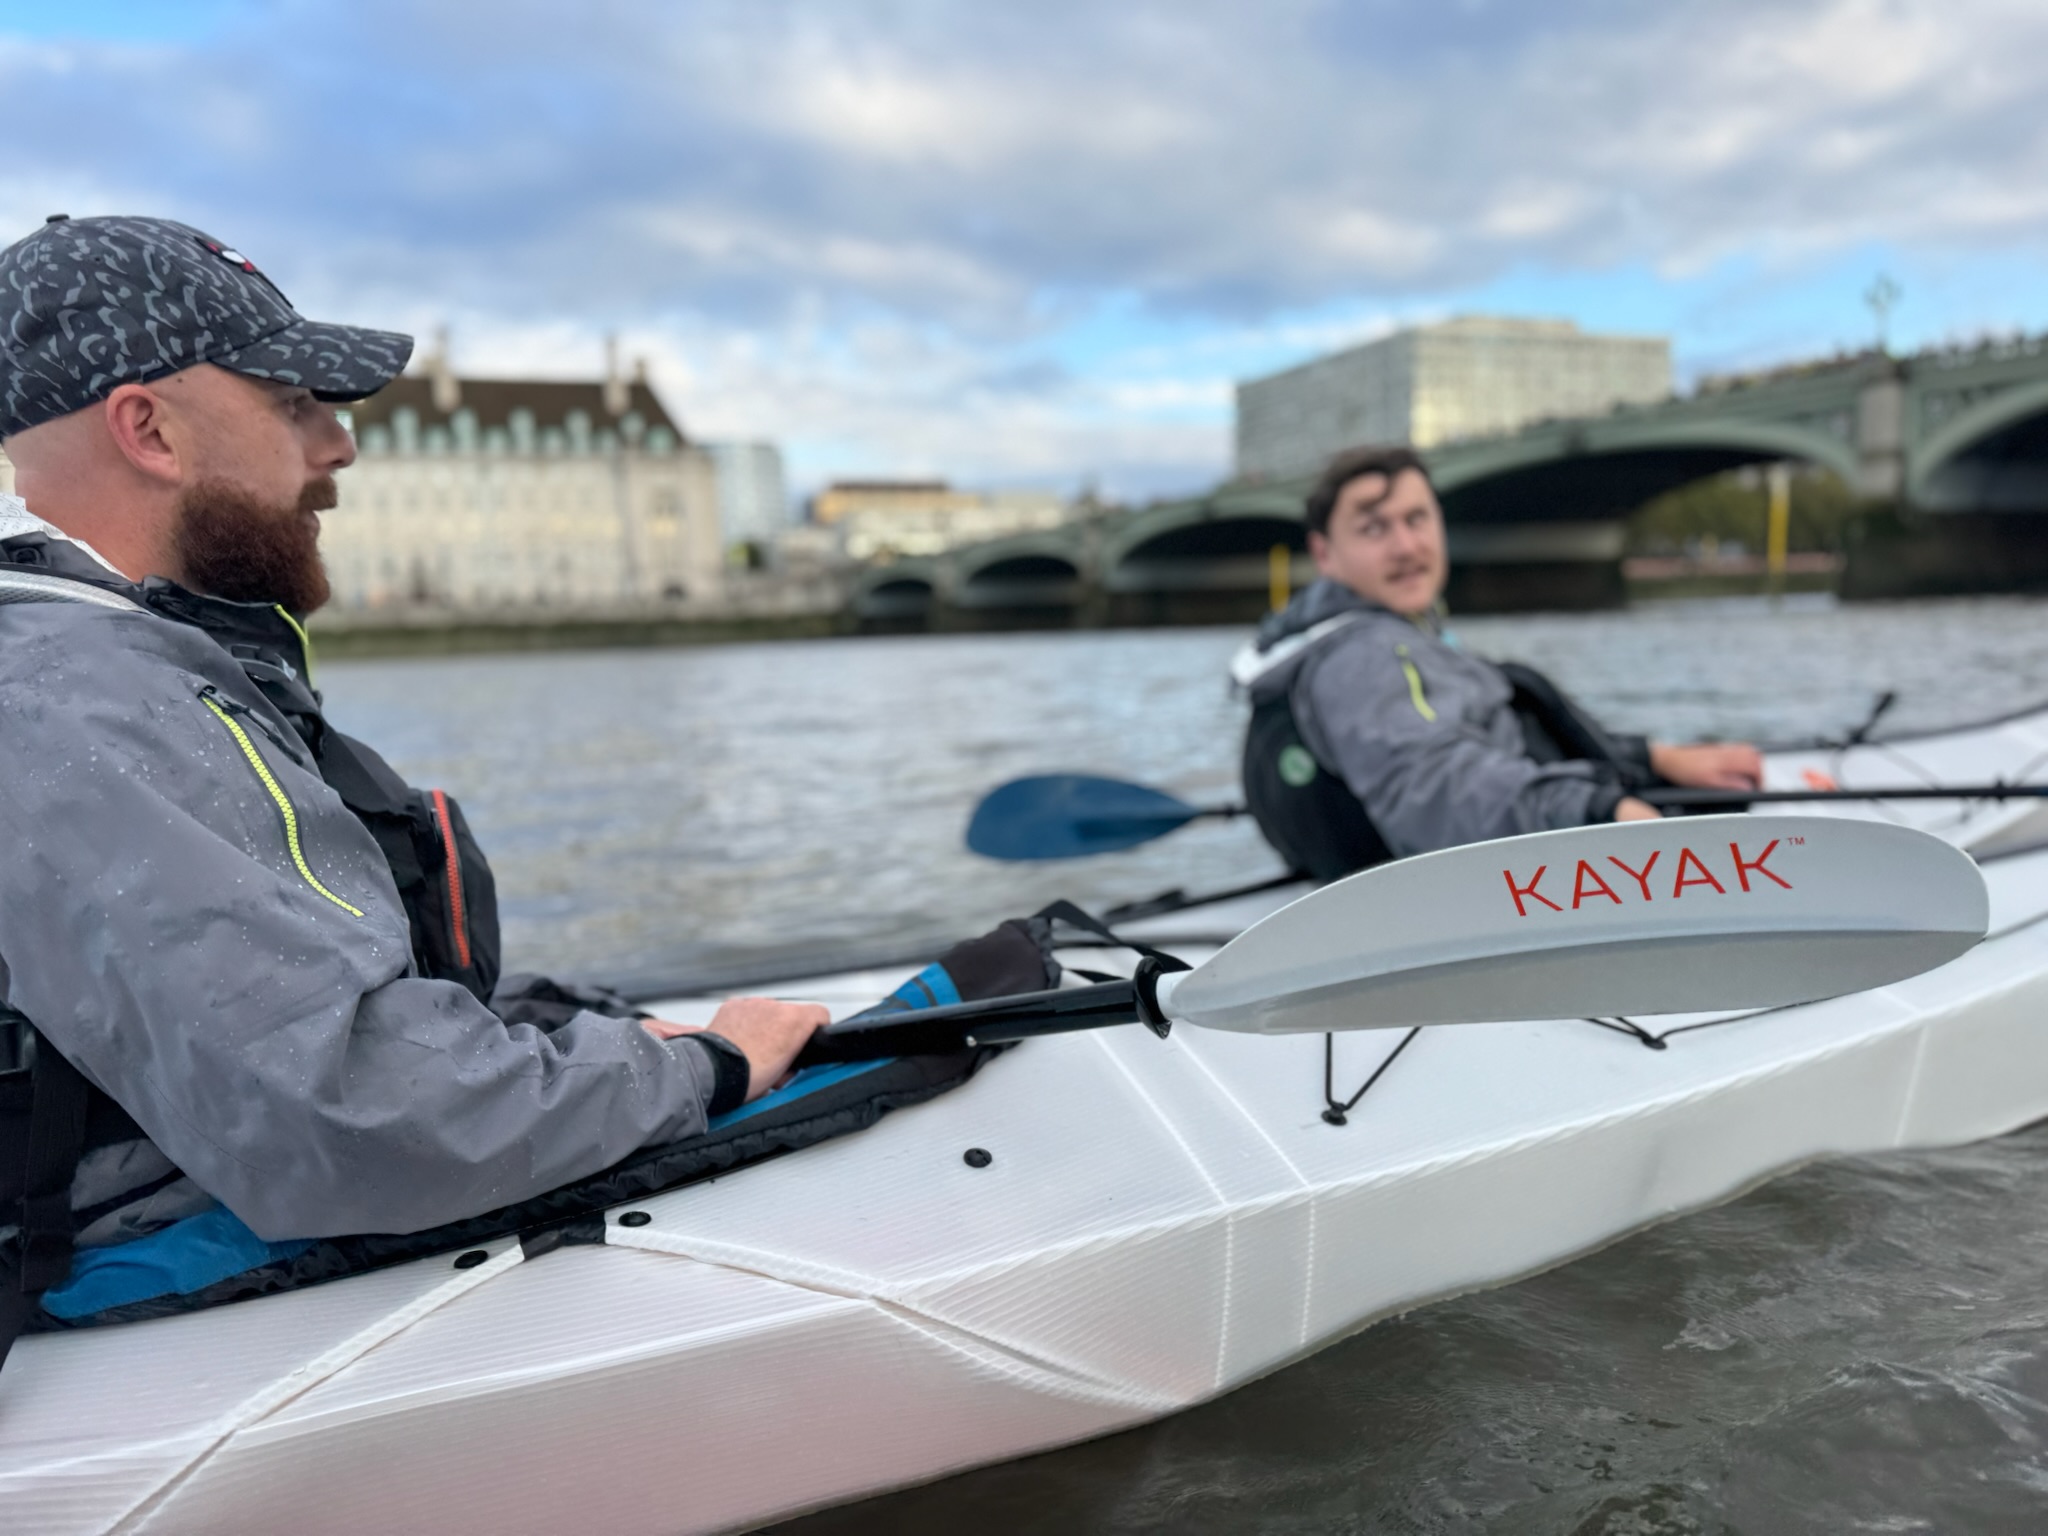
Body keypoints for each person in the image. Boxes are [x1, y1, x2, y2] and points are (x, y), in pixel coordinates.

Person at [0, 215, 978, 1358]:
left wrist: (572, 1033)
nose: (339, 445)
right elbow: (357, 1120)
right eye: (291, 401)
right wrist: (699, 1066)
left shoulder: (103, 666)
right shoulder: (75, 697)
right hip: (114, 1274)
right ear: (148, 429)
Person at [1237, 445, 1763, 880]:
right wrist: (1593, 813)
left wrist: (1654, 757)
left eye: (1416, 519)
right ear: (1325, 553)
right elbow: (1434, 783)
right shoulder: (1366, 656)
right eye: (1374, 529)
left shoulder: (1392, 634)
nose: (1406, 546)